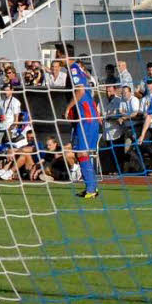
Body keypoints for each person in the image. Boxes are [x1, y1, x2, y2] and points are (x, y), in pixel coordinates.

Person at [65, 54, 101, 199]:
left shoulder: (75, 70)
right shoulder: (87, 76)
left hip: (86, 118)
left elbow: (80, 92)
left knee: (81, 153)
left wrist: (68, 108)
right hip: (90, 117)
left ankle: (91, 188)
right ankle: (91, 187)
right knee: (81, 153)